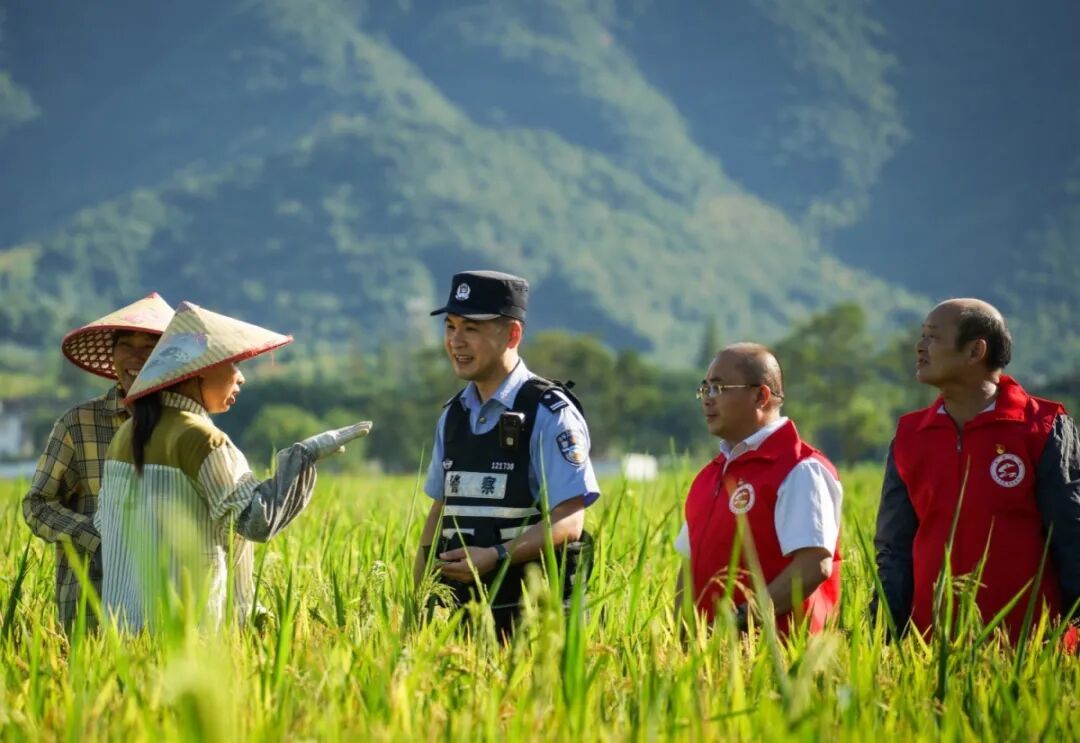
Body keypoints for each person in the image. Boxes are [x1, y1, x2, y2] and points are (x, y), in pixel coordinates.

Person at [93, 301, 372, 631]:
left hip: (122, 631)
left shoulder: (126, 434)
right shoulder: (202, 438)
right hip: (188, 637)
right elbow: (256, 522)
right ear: (199, 370)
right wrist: (302, 458)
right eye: (234, 365)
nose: (241, 379)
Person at [873, 298, 1080, 642]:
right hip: (930, 648)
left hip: (1029, 648)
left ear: (975, 351)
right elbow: (894, 550)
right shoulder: (910, 436)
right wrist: (884, 635)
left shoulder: (1042, 428)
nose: (920, 347)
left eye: (933, 337)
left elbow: (1071, 537)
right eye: (922, 336)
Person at [414, 270, 601, 637]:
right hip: (461, 623)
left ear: (513, 334)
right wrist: (418, 601)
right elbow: (440, 510)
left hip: (533, 626)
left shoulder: (549, 414)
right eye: (450, 327)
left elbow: (569, 522)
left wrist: (495, 555)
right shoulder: (453, 415)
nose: (456, 341)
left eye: (471, 328)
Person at [22, 292, 174, 632]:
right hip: (91, 603)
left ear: (168, 356)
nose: (135, 357)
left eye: (148, 347)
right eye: (125, 345)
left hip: (168, 606)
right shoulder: (78, 423)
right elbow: (37, 505)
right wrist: (98, 538)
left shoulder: (185, 427)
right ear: (112, 354)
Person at [673, 343, 843, 634]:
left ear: (760, 396)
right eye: (705, 389)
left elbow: (813, 566)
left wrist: (740, 620)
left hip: (780, 663)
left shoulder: (801, 468)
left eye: (719, 388)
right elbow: (688, 569)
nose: (707, 400)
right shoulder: (709, 476)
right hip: (710, 664)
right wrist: (679, 638)